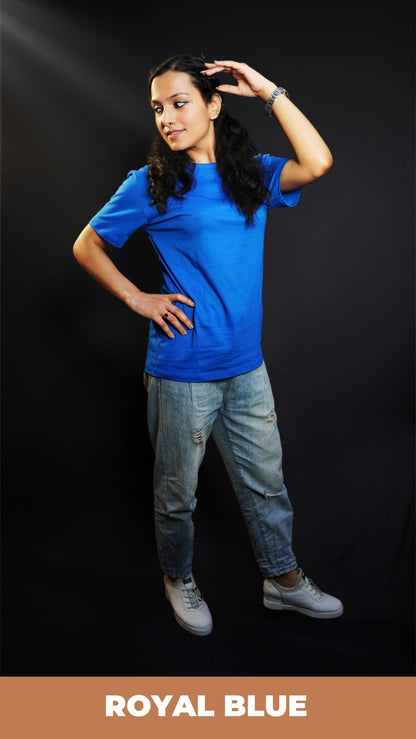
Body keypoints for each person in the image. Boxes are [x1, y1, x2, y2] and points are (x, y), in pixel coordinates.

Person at [73, 54, 343, 636]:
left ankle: (283, 581)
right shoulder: (150, 185)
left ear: (214, 104)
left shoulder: (250, 174)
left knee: (266, 483)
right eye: (157, 109)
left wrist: (267, 89)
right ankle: (179, 580)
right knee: (178, 497)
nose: (167, 118)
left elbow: (318, 162)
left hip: (247, 367)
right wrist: (136, 298)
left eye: (180, 103)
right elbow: (86, 245)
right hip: (182, 371)